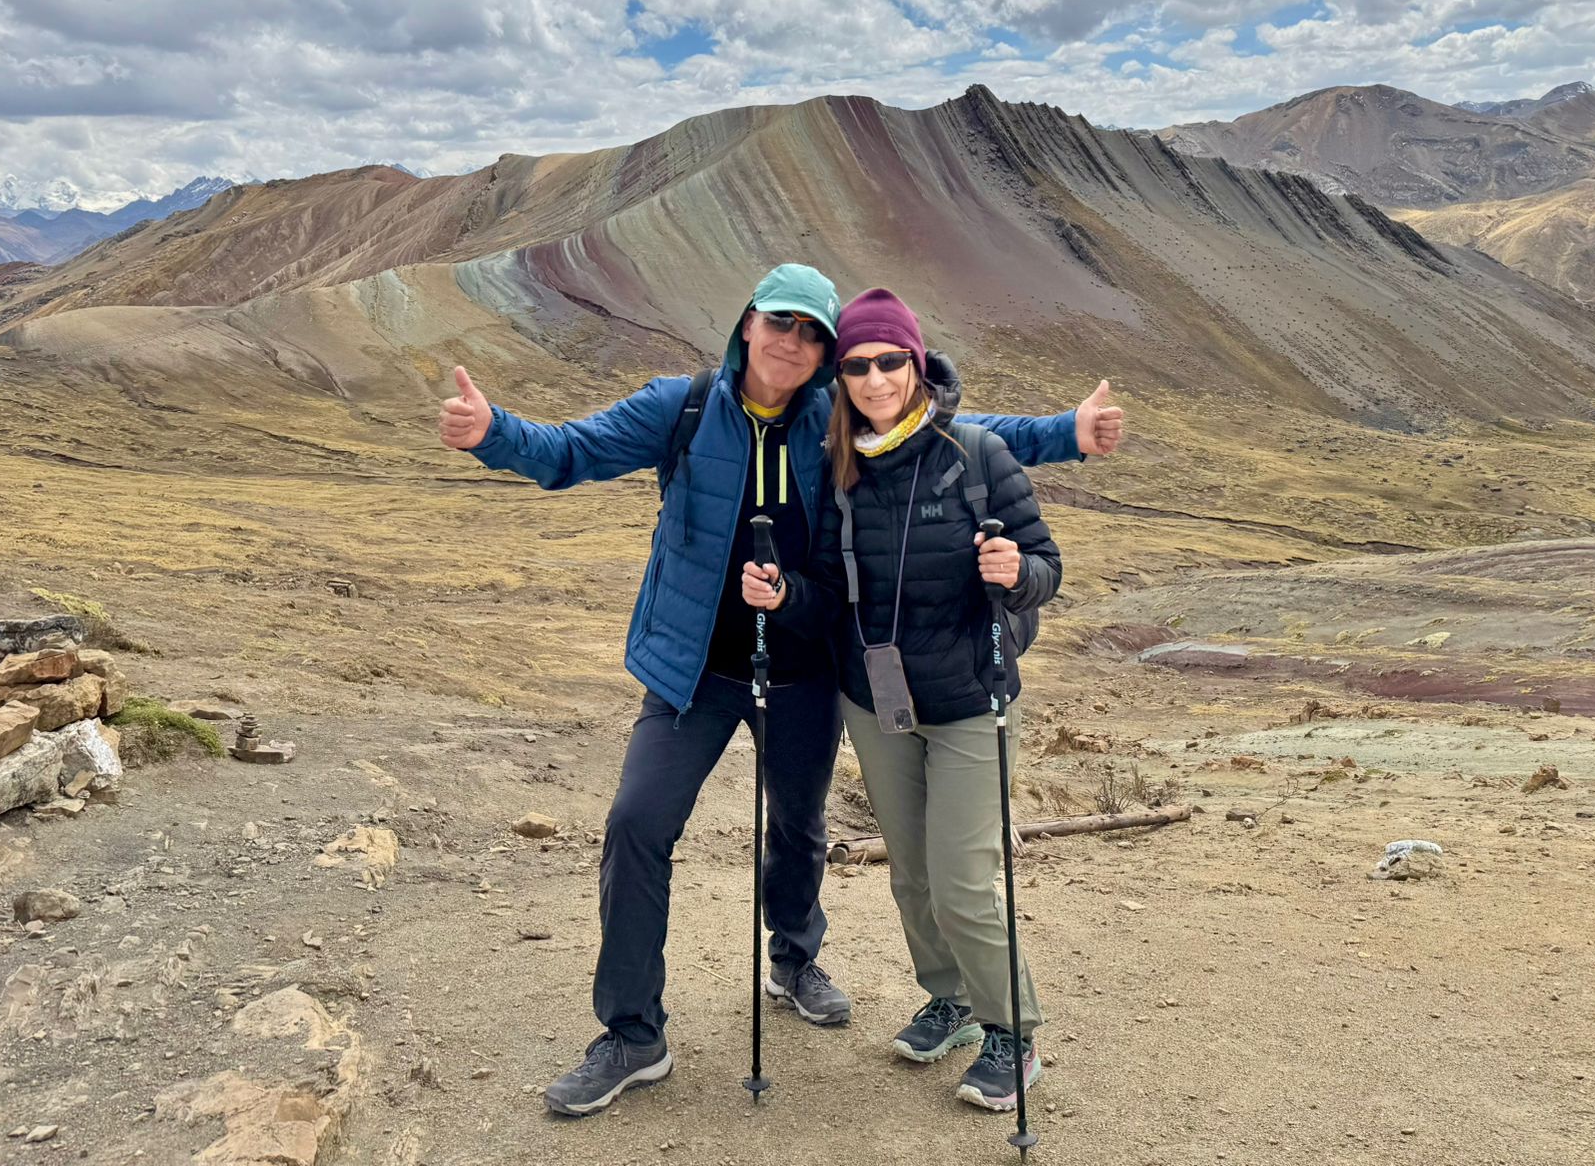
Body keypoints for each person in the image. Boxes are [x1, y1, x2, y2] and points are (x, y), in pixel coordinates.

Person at [436, 265, 1123, 1117]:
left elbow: (955, 430)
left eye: (812, 334)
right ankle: (632, 1034)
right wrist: (492, 432)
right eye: (779, 324)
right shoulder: (683, 407)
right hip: (691, 670)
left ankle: (795, 961)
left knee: (799, 825)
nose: (792, 344)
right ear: (747, 326)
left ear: (825, 353)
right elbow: (573, 449)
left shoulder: (834, 421)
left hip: (803, 670)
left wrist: (1069, 432)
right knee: (637, 824)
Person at [742, 287, 1058, 1115]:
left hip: (970, 699)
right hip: (875, 703)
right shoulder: (838, 467)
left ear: (916, 365)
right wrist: (785, 595)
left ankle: (1012, 1030)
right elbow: (828, 589)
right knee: (912, 876)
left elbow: (1045, 569)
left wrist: (1016, 574)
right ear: (841, 379)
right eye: (857, 366)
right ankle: (950, 998)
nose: (875, 378)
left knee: (961, 882)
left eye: (890, 361)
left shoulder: (977, 454)